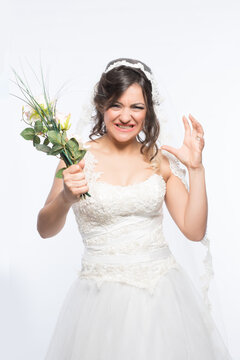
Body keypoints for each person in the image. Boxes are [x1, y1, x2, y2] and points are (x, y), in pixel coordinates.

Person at [38, 58, 233, 359]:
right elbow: (45, 229)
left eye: (137, 107)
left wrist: (196, 168)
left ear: (148, 112)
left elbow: (194, 231)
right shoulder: (74, 156)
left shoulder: (160, 161)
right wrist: (65, 197)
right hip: (98, 300)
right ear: (101, 106)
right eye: (117, 105)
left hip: (161, 297)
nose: (126, 116)